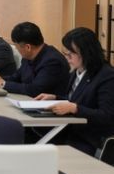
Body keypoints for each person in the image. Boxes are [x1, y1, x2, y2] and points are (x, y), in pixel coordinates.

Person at [35, 27, 114, 156]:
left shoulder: (107, 76)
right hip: (70, 130)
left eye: (70, 54)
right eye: (65, 54)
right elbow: (76, 98)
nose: (67, 58)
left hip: (89, 138)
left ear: (86, 53)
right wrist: (55, 97)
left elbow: (107, 116)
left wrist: (75, 108)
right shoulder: (78, 70)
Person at [0, 22, 68, 98]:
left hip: (49, 106)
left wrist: (2, 84)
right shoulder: (28, 57)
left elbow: (35, 90)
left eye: (16, 46)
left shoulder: (52, 61)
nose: (17, 49)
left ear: (28, 47)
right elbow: (15, 78)